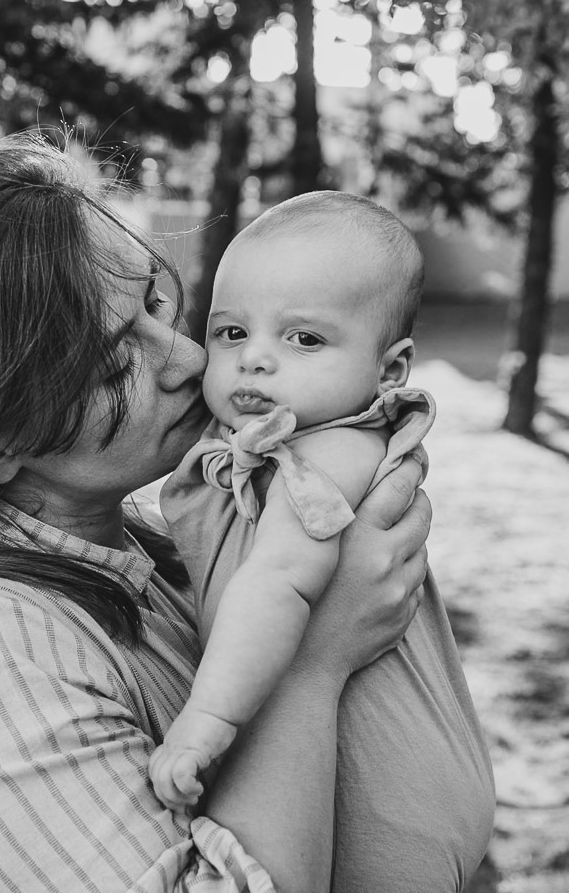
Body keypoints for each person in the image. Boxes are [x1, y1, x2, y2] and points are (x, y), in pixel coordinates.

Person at [0, 138, 432, 893]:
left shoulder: (159, 550)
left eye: (159, 304)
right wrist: (310, 661)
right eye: (118, 355)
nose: (188, 357)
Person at [158, 192, 495, 892]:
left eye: (304, 339)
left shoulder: (336, 454)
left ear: (390, 371)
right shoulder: (274, 439)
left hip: (393, 804)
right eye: (229, 333)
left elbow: (278, 578)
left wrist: (206, 719)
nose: (255, 360)